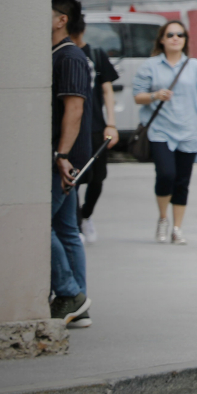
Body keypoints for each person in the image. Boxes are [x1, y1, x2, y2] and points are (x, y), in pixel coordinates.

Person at [131, 19, 197, 245]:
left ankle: (177, 227)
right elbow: (137, 96)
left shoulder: (195, 67)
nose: (175, 38)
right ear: (162, 39)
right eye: (170, 35)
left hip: (190, 131)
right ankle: (163, 219)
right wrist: (155, 95)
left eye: (180, 35)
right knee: (166, 175)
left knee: (182, 181)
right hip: (161, 130)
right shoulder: (150, 66)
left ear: (185, 40)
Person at [50, 0, 92, 328]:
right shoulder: (56, 54)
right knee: (66, 230)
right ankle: (77, 304)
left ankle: (69, 293)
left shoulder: (68, 57)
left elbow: (74, 109)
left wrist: (62, 155)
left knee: (40, 226)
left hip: (61, 160)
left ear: (61, 19)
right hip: (61, 158)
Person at [68, 13, 119, 246]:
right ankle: (76, 222)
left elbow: (108, 91)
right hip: (73, 128)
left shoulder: (96, 55)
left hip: (97, 127)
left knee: (98, 178)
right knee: (74, 178)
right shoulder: (65, 54)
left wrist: (111, 123)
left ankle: (86, 215)